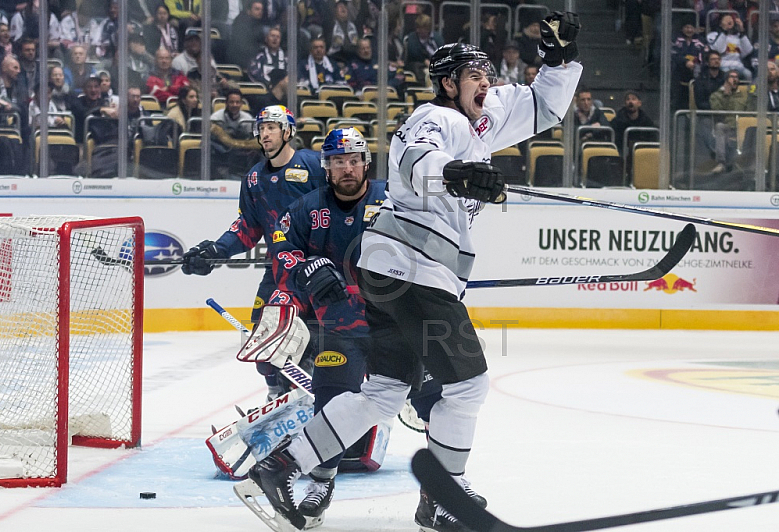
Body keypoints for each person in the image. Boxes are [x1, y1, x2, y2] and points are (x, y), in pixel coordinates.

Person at [239, 11, 582, 532]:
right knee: (467, 387)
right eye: (475, 76)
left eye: (489, 74)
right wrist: (457, 172)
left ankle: (281, 466)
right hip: (411, 269)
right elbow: (412, 158)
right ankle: (441, 498)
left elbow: (543, 105)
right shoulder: (436, 117)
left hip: (394, 274)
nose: (487, 83)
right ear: (449, 83)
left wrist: (557, 59)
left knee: (383, 392)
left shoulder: (482, 120)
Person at [263, 127, 386, 527]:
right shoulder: (305, 208)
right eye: (336, 162)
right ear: (326, 167)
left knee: (433, 400)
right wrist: (305, 268)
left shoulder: (392, 200)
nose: (346, 168)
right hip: (340, 325)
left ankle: (438, 492)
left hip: (397, 323)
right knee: (331, 403)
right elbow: (281, 250)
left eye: (352, 160)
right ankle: (322, 479)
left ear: (366, 163)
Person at [181, 105, 327, 401]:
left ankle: (320, 389)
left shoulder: (313, 165)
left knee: (321, 341)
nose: (264, 133)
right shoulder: (253, 179)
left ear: (288, 131)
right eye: (261, 128)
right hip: (279, 271)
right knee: (264, 342)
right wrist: (214, 251)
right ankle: (276, 397)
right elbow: (247, 227)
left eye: (271, 127)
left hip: (321, 270)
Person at [709, 69, 753, 174]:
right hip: (727, 127)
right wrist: (726, 96)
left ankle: (750, 165)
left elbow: (750, 112)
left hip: (741, 127)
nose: (735, 80)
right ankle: (721, 163)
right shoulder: (716, 95)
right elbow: (717, 112)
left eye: (736, 77)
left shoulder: (744, 96)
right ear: (726, 79)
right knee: (719, 126)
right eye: (732, 77)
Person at [210, 88, 257, 178]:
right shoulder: (216, 118)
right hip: (221, 153)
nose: (234, 105)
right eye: (231, 102)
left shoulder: (248, 118)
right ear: (226, 103)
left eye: (237, 102)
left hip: (242, 154)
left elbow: (251, 139)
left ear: (241, 104)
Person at [706, 13, 753, 82]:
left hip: (738, 66)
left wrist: (742, 31)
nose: (729, 21)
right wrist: (724, 31)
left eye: (730, 19)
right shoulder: (713, 35)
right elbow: (719, 50)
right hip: (723, 66)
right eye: (726, 20)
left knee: (748, 74)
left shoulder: (738, 36)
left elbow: (748, 51)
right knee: (727, 76)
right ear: (720, 23)